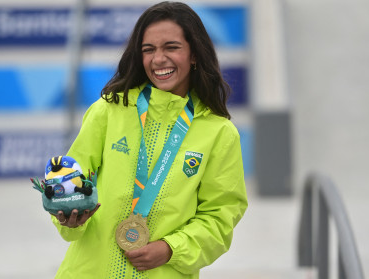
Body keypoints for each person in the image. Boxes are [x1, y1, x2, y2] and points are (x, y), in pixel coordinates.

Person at [51, 2, 248, 278]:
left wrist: (171, 248)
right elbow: (72, 177)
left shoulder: (219, 133)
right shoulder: (110, 110)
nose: (158, 59)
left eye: (171, 47)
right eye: (148, 50)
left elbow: (220, 217)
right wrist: (69, 215)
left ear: (194, 54)